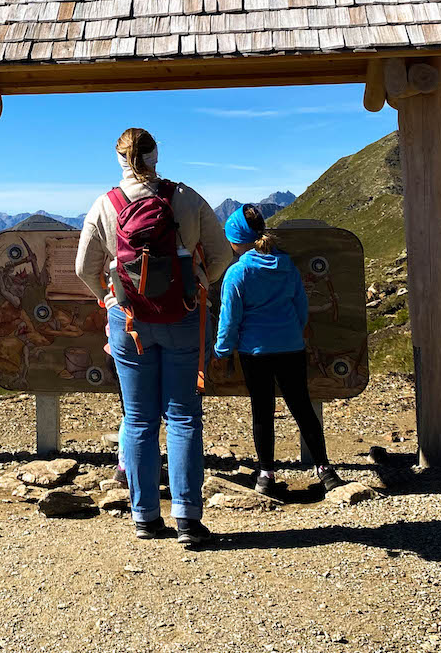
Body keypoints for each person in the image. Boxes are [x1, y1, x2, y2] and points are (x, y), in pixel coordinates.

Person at [77, 128, 233, 549]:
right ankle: (187, 517)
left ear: (120, 160)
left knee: (140, 418)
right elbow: (221, 256)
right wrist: (198, 280)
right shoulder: (186, 197)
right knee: (183, 416)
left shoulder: (105, 205)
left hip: (128, 321)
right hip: (183, 314)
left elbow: (83, 268)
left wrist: (107, 297)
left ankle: (144, 516)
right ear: (156, 155)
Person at [215, 205, 345, 497]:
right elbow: (301, 308)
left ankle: (266, 475)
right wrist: (292, 334)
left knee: (262, 412)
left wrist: (222, 350)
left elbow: (229, 318)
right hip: (290, 347)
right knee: (301, 407)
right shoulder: (286, 265)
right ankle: (325, 470)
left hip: (255, 351)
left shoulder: (237, 273)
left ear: (236, 239)